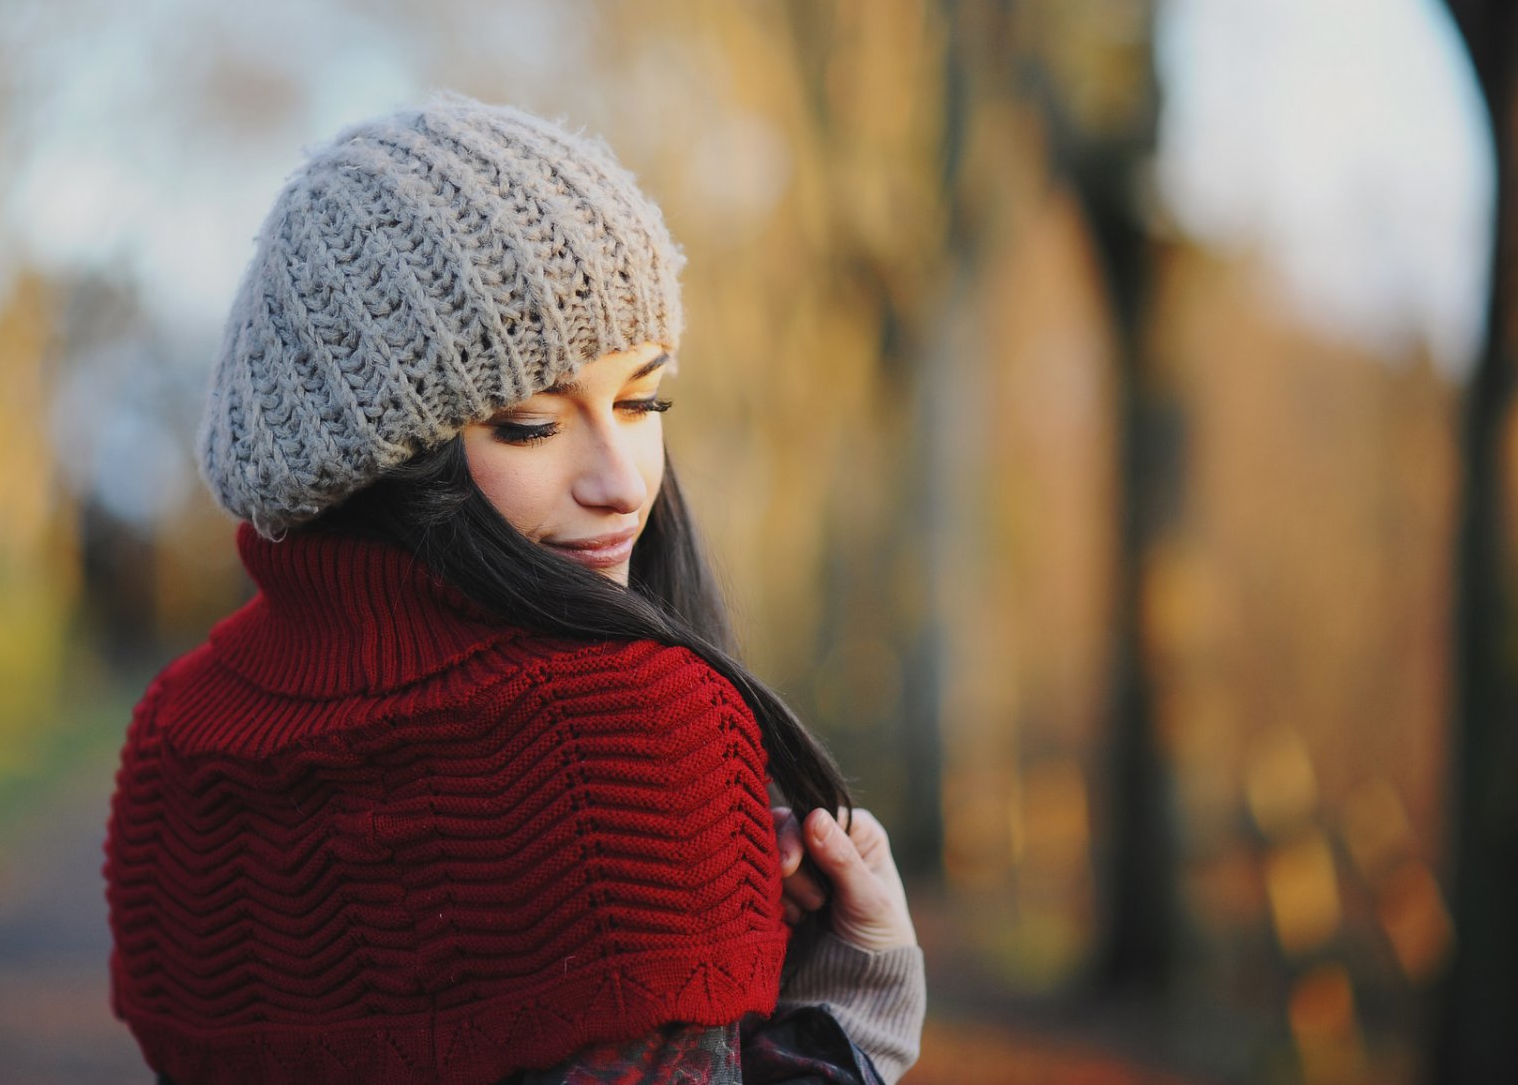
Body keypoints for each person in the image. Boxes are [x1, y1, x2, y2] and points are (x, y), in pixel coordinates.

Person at [101, 91, 926, 1085]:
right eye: (532, 425)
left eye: (643, 401)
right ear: (381, 461)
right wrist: (858, 1010)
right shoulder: (632, 731)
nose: (621, 482)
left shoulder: (170, 736)